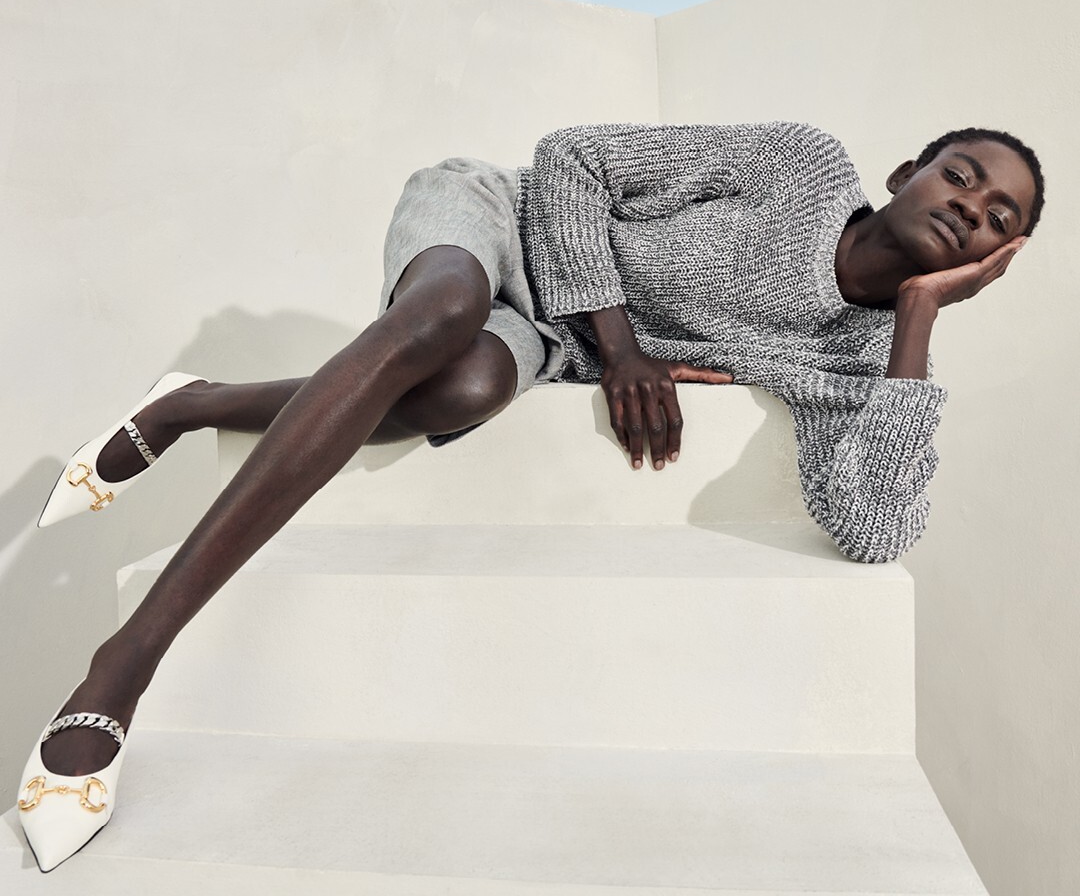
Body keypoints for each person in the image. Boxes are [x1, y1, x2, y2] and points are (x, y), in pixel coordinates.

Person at [17, 120, 1043, 871]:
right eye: (960, 176)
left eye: (998, 218)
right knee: (440, 316)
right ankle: (128, 661)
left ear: (996, 262)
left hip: (544, 340)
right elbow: (573, 161)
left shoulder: (861, 359)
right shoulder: (802, 165)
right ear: (905, 173)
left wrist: (917, 321)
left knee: (458, 391)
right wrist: (624, 346)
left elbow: (874, 529)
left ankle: (193, 403)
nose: (970, 207)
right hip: (498, 225)